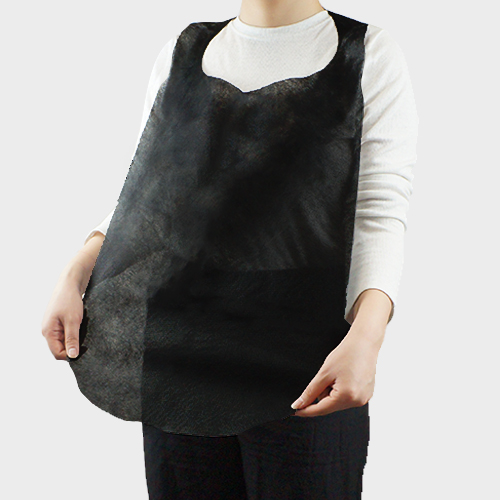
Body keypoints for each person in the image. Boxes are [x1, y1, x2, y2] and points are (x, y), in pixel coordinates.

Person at [41, 0, 418, 498]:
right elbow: (144, 201)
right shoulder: (184, 49)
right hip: (179, 354)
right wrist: (74, 273)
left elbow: (378, 211)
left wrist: (367, 337)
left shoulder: (366, 53)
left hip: (307, 357)